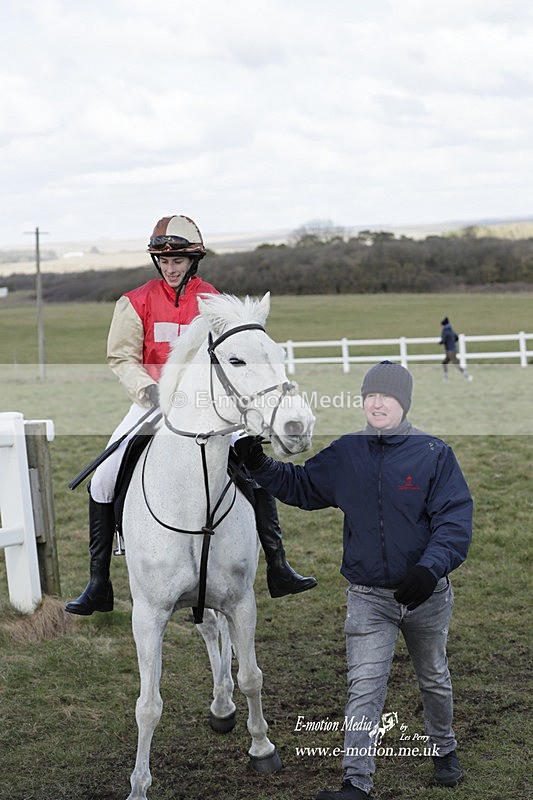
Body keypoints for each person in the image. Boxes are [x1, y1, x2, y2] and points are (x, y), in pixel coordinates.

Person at [234, 361, 473, 799]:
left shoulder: (433, 454)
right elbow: (304, 485)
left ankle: (444, 749)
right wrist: (260, 466)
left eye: (388, 396)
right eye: (370, 395)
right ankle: (356, 782)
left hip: (427, 596)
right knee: (364, 686)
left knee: (434, 677)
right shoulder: (347, 452)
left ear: (404, 403)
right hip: (369, 598)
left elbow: (454, 522)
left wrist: (429, 568)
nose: (377, 403)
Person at [65, 214, 316, 616]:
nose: (171, 266)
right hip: (151, 404)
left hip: (209, 410)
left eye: (179, 259)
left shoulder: (213, 301)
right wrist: (147, 390)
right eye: (164, 260)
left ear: (193, 260)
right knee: (104, 477)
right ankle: (98, 582)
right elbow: (122, 357)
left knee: (252, 464)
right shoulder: (134, 302)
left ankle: (278, 563)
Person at [440, 316, 473, 381]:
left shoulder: (445, 331)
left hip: (450, 351)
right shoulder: (451, 330)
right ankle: (446, 377)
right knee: (444, 363)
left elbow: (443, 340)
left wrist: (441, 342)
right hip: (454, 349)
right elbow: (456, 337)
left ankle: (467, 376)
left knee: (456, 364)